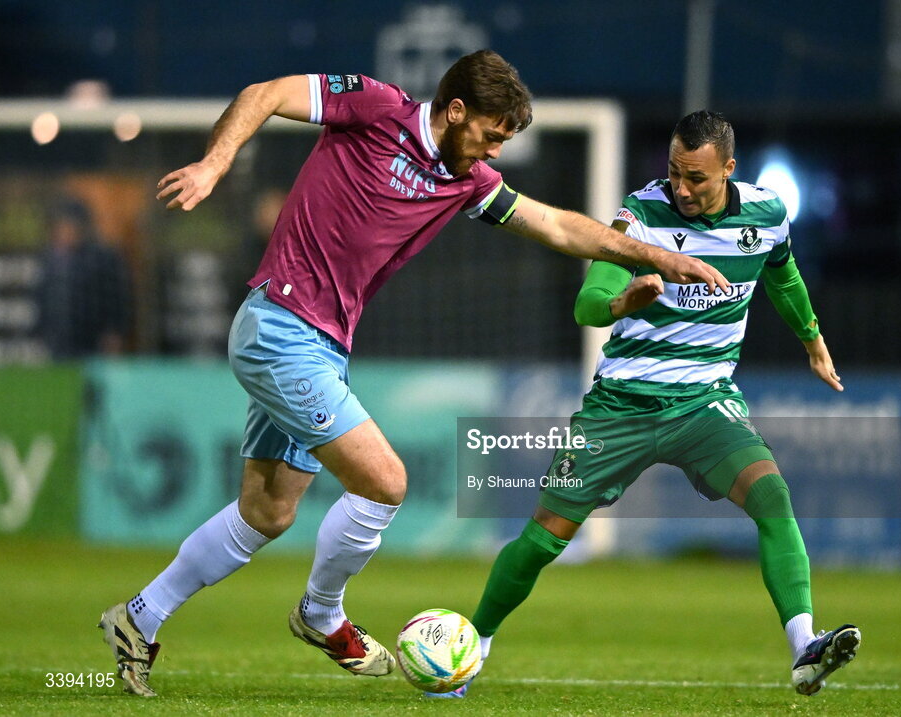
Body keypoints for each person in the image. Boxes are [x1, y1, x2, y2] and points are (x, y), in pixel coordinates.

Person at [98, 51, 729, 697]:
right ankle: (321, 616)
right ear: (456, 111)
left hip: (322, 344)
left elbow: (558, 225)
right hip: (279, 326)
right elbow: (264, 92)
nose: (494, 150)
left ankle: (137, 617)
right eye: (490, 133)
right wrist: (216, 160)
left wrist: (655, 255)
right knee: (385, 481)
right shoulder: (375, 107)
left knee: (268, 510)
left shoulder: (469, 181)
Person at [458, 111, 860, 699]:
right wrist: (626, 301)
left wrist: (813, 341)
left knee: (772, 496)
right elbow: (587, 306)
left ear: (729, 168)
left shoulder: (767, 214)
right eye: (675, 172)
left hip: (703, 405)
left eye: (696, 177)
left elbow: (784, 276)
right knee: (545, 537)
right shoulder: (641, 216)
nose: (683, 188)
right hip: (621, 406)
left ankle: (804, 646)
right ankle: (475, 642)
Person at [35, 198, 131, 358]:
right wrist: (40, 333)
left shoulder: (102, 258)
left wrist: (114, 332)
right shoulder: (50, 260)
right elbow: (42, 299)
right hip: (58, 342)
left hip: (92, 340)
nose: (66, 232)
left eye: (70, 226)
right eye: (61, 226)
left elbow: (116, 299)